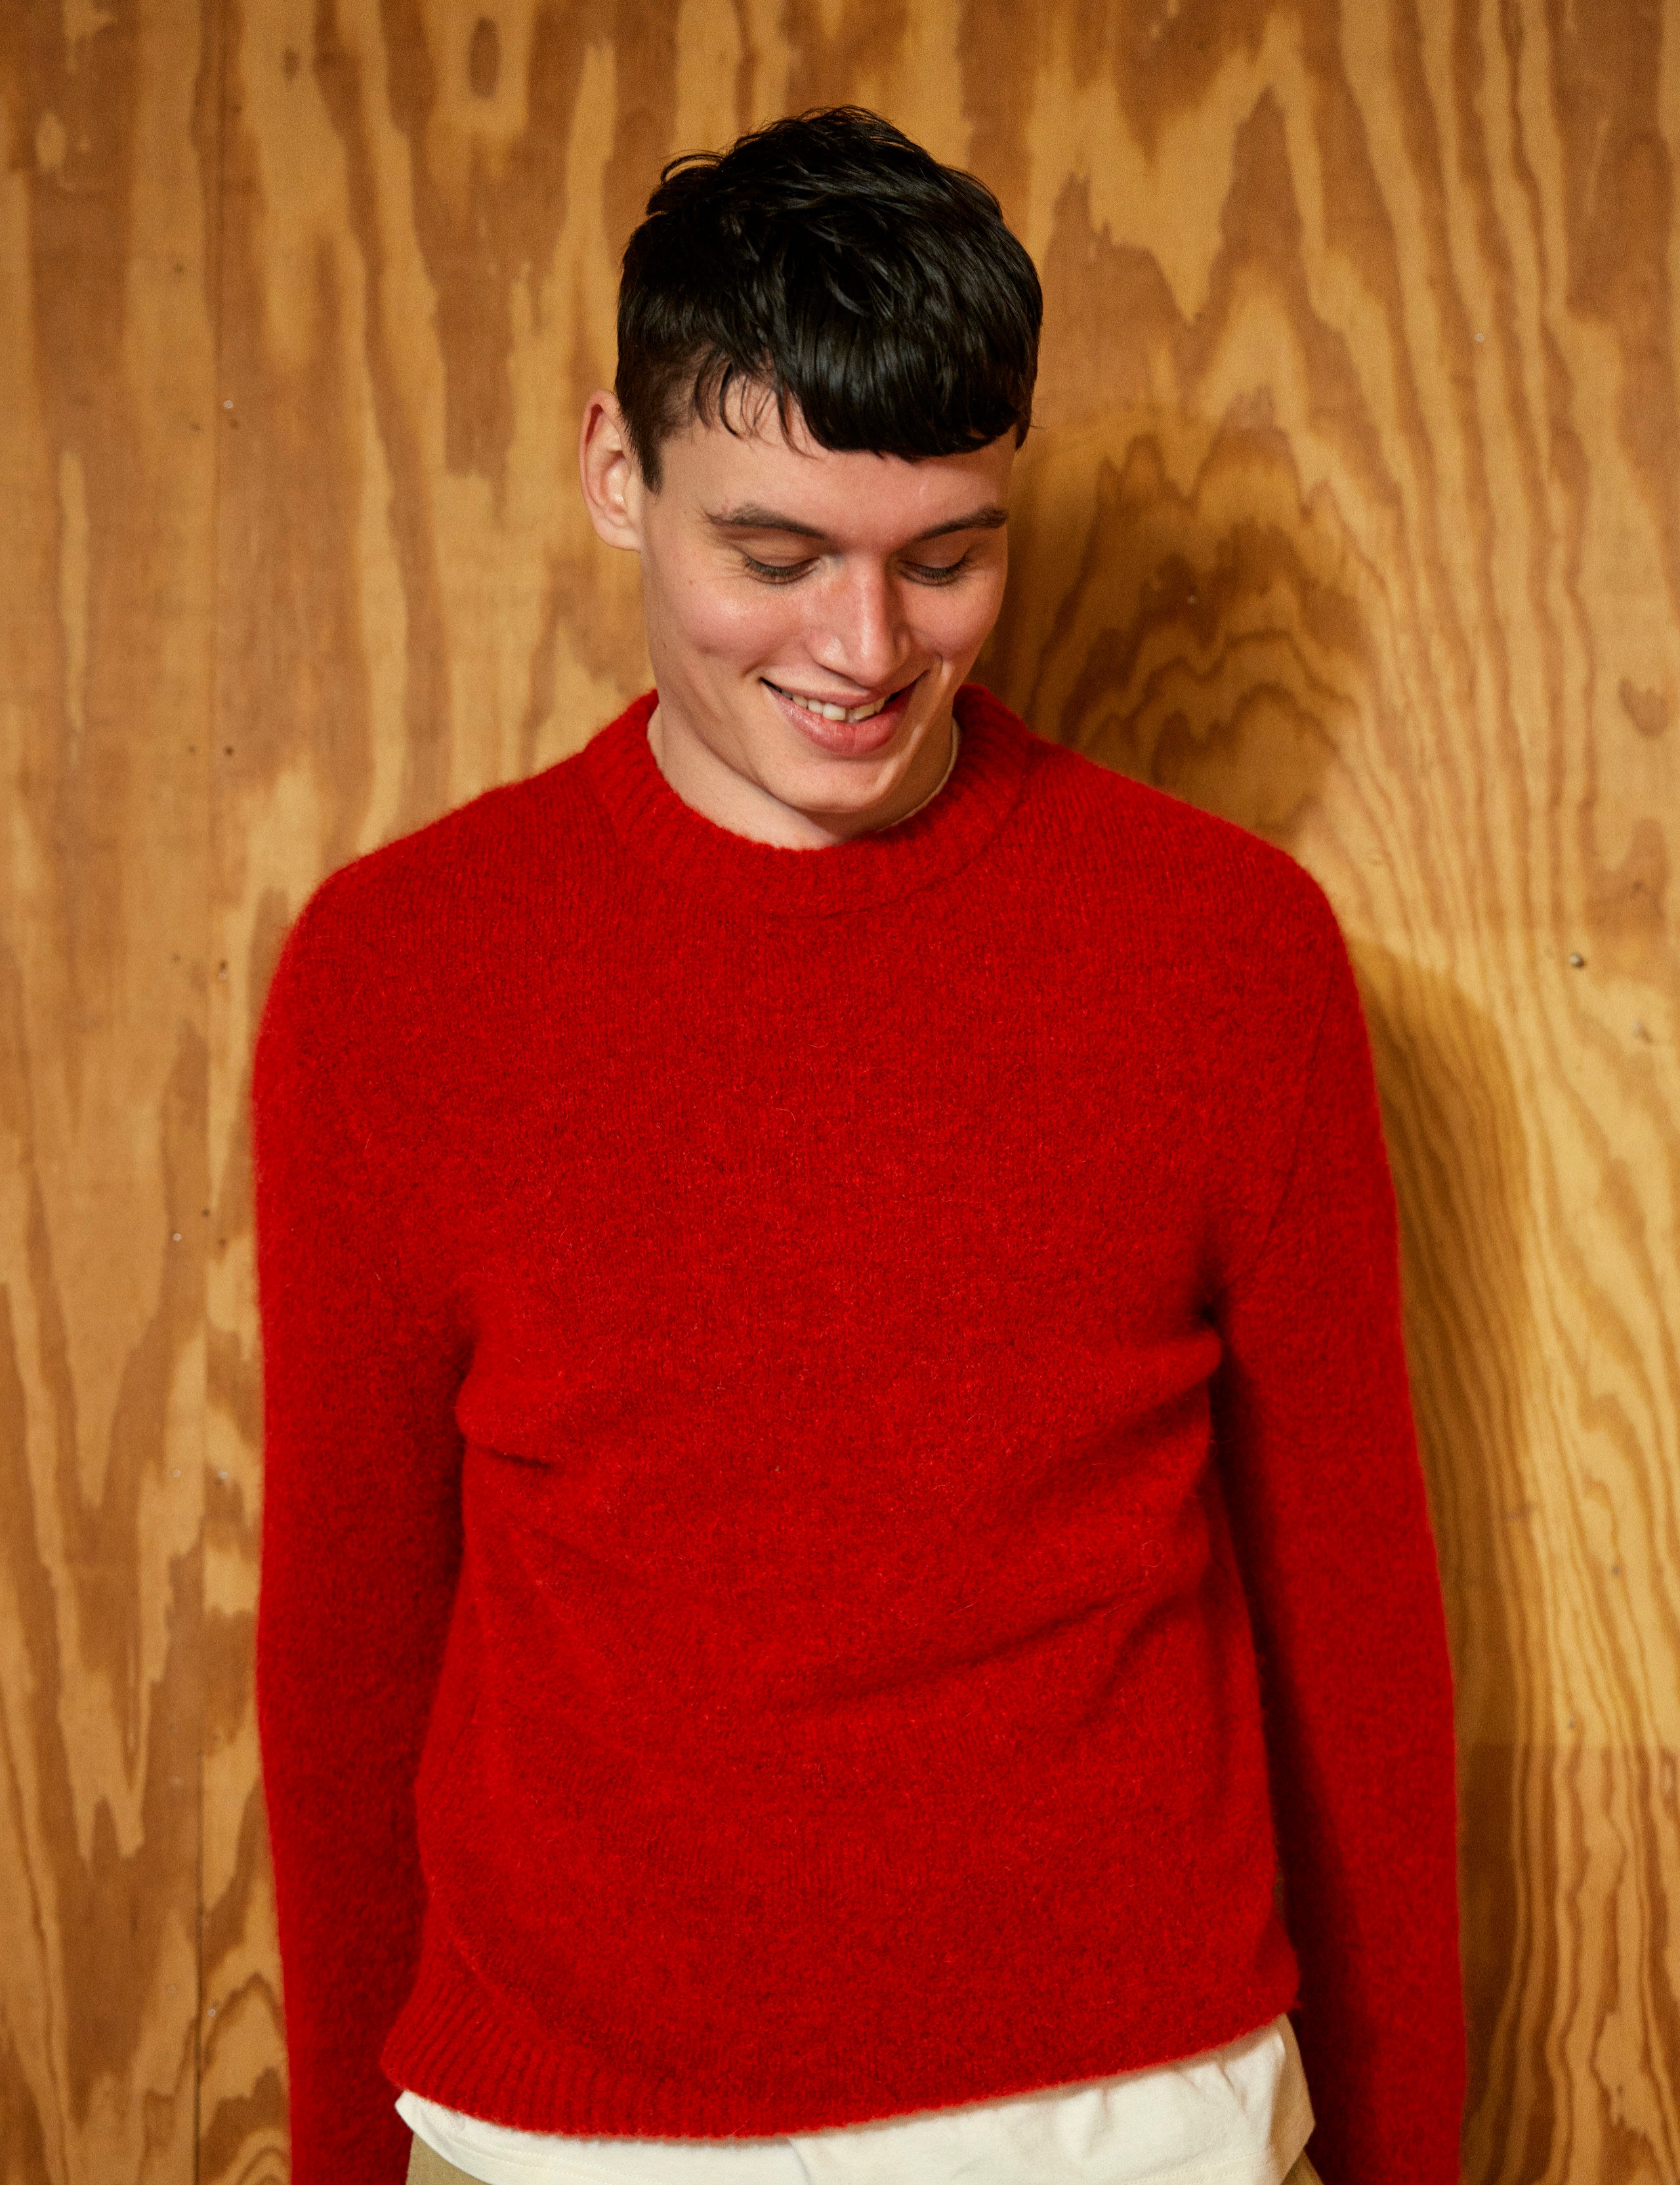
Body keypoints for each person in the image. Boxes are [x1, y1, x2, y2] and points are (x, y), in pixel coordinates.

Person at [253, 107, 1464, 2185]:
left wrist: (1408, 2153)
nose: (866, 649)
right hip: (570, 2141)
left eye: (947, 555)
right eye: (776, 555)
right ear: (618, 475)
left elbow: (1353, 1630)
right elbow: (350, 1655)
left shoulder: (1225, 955)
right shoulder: (401, 974)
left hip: (1135, 2122)